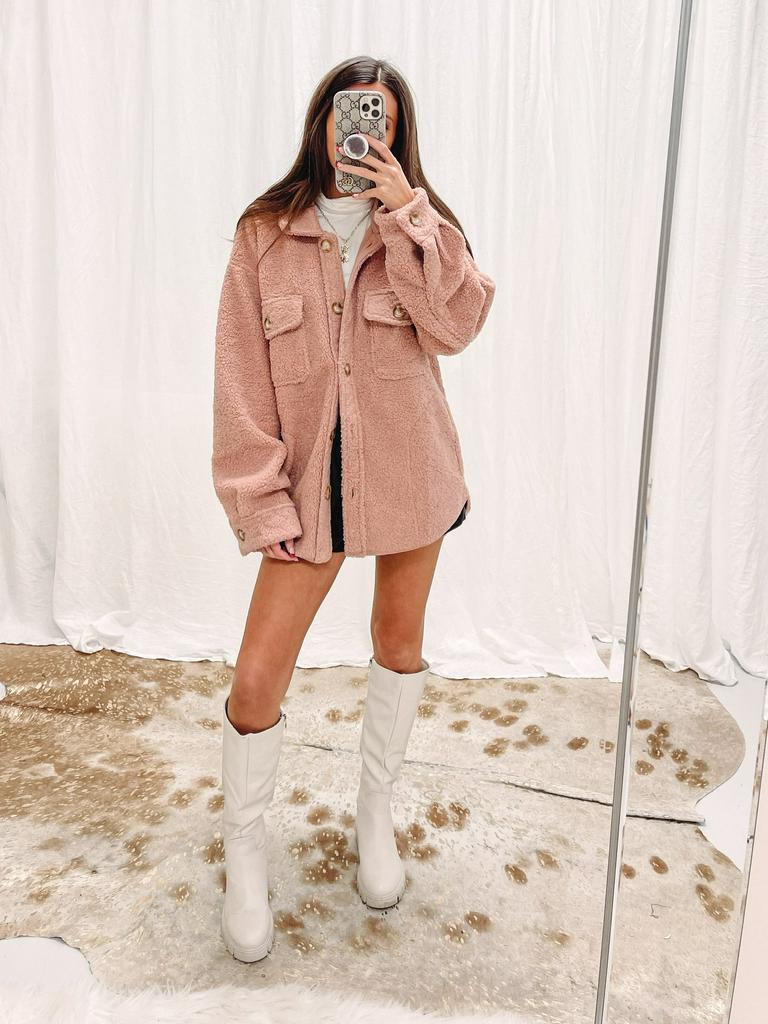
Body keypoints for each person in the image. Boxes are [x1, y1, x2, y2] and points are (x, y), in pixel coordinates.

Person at [212, 56, 496, 963]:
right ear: (323, 122)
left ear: (398, 134)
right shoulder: (264, 234)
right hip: (305, 494)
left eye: (380, 118)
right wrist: (262, 506)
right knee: (256, 683)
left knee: (398, 644)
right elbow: (240, 386)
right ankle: (245, 852)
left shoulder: (420, 226)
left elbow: (458, 327)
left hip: (412, 475)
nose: (360, 130)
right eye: (349, 112)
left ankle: (376, 812)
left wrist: (410, 213)